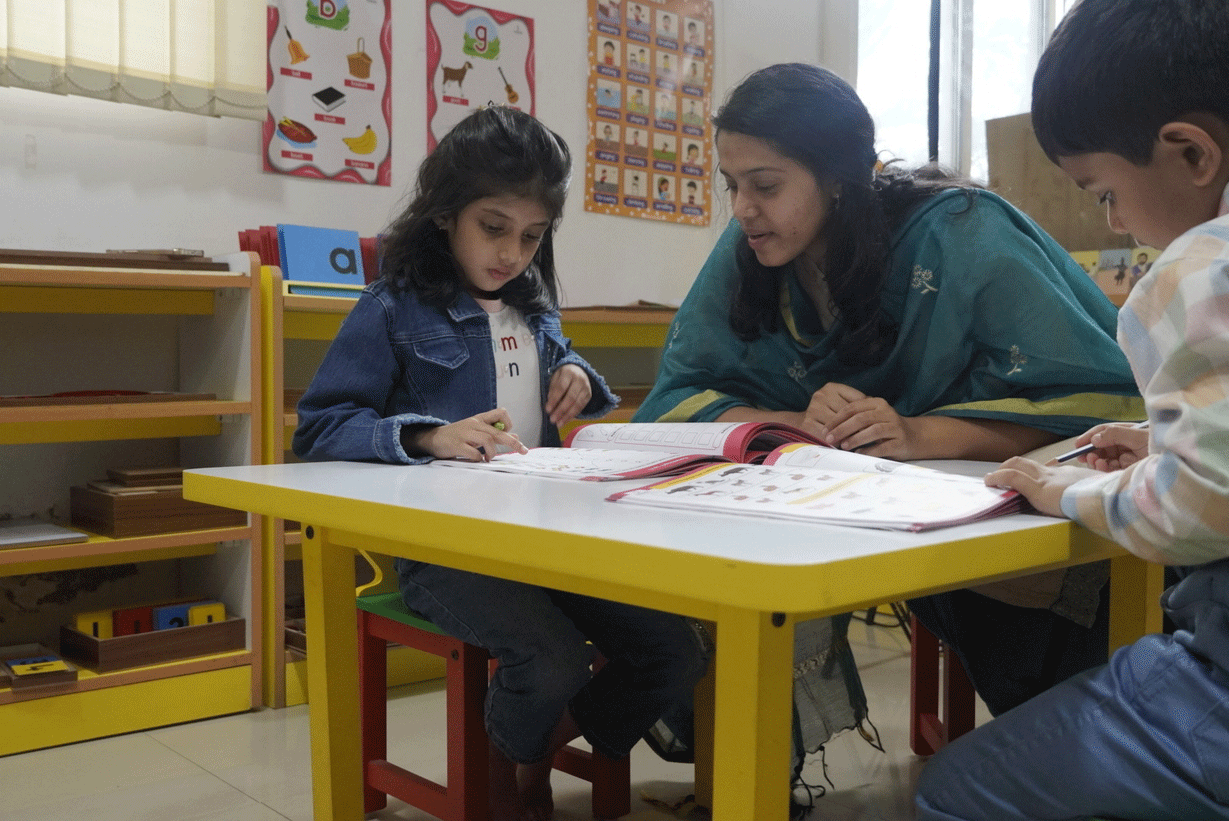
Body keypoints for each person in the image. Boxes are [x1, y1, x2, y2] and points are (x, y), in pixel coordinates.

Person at [633, 62, 1143, 789]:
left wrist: (915, 434)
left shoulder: (960, 234)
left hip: (1011, 520)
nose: (742, 209)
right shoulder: (752, 250)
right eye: (731, 184)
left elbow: (1093, 399)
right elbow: (677, 397)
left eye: (765, 185)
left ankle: (1089, 759)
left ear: (837, 177)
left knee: (1064, 711)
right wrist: (794, 421)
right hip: (884, 511)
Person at [293, 105, 708, 821]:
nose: (512, 252)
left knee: (675, 648)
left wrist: (577, 375)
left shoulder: (532, 310)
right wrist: (427, 437)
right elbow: (321, 424)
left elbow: (559, 369)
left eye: (532, 235)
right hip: (444, 554)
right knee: (552, 658)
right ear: (444, 213)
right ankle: (513, 762)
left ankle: (528, 746)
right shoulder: (392, 308)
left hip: (546, 541)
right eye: (493, 227)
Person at [916, 1, 1229, 818]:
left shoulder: (1198, 266)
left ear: (1191, 153)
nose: (1113, 221)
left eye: (1104, 192)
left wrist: (1070, 492)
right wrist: (1165, 442)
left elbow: (1195, 512)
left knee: (951, 789)